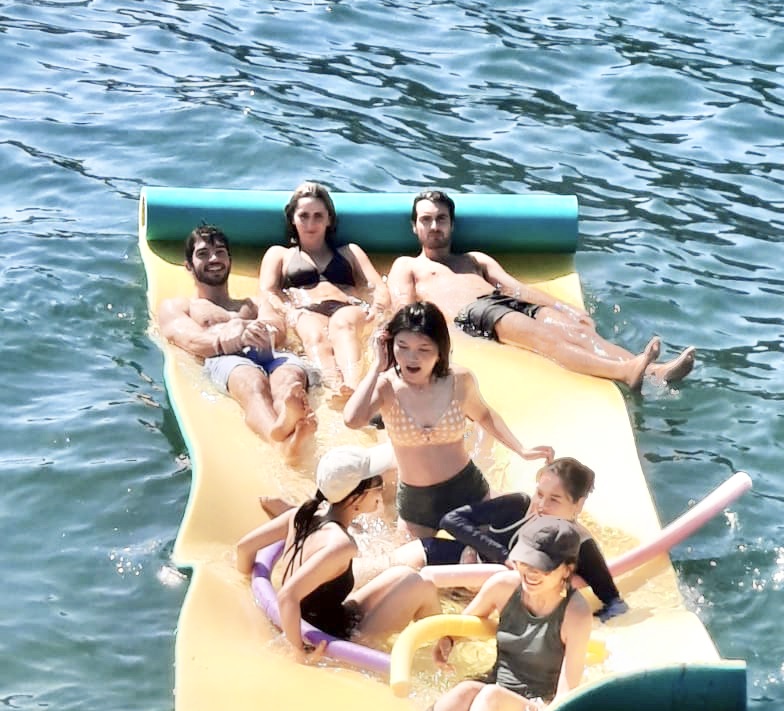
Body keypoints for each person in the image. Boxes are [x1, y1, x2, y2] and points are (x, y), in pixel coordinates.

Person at [387, 189, 695, 391]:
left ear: (452, 224)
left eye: (441, 219)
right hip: (474, 313)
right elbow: (405, 311)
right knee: (545, 338)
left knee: (579, 332)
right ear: (415, 227)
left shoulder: (474, 259)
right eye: (426, 220)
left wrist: (566, 309)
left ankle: (655, 371)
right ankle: (623, 372)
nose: (435, 226)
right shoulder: (408, 265)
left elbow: (516, 289)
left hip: (500, 301)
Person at [385, 517, 592, 711]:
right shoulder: (503, 586)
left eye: (542, 567)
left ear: (567, 569)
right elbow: (462, 624)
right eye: (525, 561)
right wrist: (448, 641)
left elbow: (564, 698)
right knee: (467, 690)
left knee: (491, 696)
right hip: (495, 688)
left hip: (534, 706)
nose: (530, 572)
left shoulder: (576, 614)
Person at [343, 300, 554, 540]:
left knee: (493, 552)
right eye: (402, 346)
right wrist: (376, 368)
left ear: (440, 350)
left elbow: (484, 415)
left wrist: (521, 450)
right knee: (409, 562)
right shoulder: (386, 387)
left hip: (466, 490)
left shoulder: (458, 380)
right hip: (416, 502)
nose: (412, 358)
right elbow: (352, 420)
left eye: (423, 349)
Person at [235, 445, 439, 660]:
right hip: (332, 642)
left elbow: (244, 548)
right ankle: (441, 656)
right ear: (355, 497)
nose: (382, 490)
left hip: (333, 618)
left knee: (405, 574)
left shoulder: (302, 514)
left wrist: (247, 584)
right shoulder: (340, 545)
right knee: (423, 586)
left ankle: (440, 645)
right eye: (377, 484)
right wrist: (298, 652)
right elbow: (288, 596)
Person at [395, 456, 628, 621]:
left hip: (485, 598)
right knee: (397, 567)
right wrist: (503, 556)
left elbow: (614, 601)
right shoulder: (519, 506)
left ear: (578, 504)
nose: (541, 505)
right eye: (540, 494)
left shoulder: (580, 544)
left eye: (554, 499)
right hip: (461, 563)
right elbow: (451, 520)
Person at [157, 224, 316, 461]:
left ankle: (287, 420)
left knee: (289, 378)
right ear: (188, 265)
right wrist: (227, 339)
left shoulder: (255, 303)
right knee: (251, 380)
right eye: (203, 254)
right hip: (226, 358)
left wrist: (258, 330)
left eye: (220, 252)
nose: (214, 259)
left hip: (270, 352)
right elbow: (188, 339)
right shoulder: (181, 306)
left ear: (229, 260)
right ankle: (279, 442)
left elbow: (278, 327)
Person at [259, 180, 389, 405]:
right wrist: (288, 311)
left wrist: (377, 309)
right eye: (304, 216)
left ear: (329, 219)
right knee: (313, 335)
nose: (311, 223)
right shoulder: (280, 255)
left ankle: (353, 386)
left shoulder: (350, 252)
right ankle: (335, 388)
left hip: (346, 306)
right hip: (305, 310)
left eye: (318, 216)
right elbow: (268, 292)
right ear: (293, 218)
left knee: (343, 325)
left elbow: (378, 286)